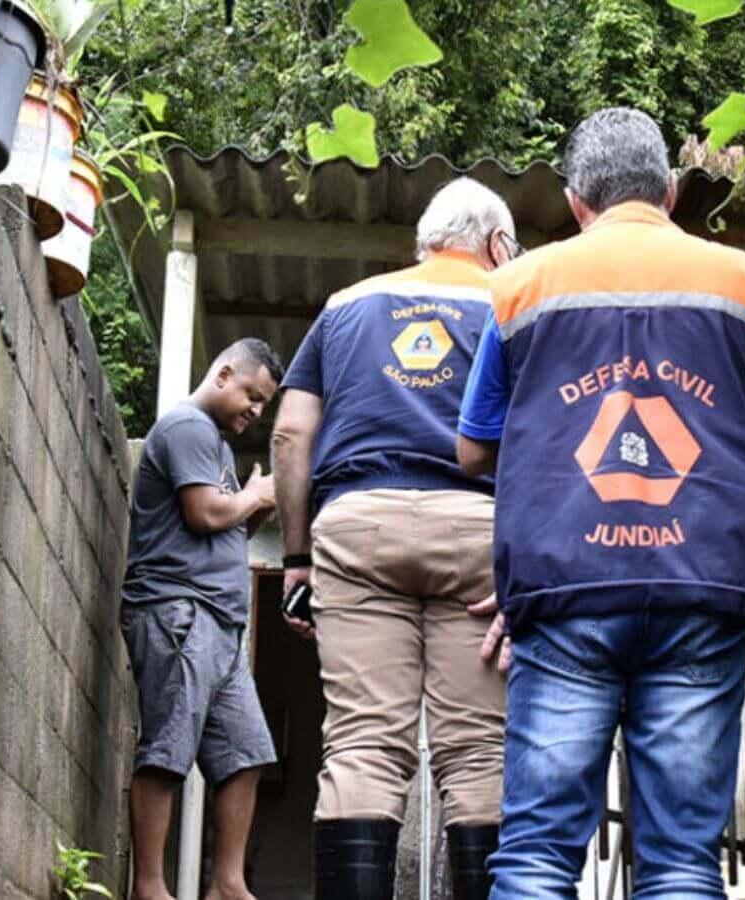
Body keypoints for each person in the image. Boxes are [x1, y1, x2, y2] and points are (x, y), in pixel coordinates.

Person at [456, 107, 745, 897]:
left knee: (539, 852)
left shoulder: (519, 289)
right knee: (682, 858)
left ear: (578, 202)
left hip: (566, 586)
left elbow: (473, 447)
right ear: (673, 193)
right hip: (706, 587)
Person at [270, 177, 521, 900]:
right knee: (478, 754)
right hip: (479, 532)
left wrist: (295, 558)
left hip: (359, 529)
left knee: (361, 747)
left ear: (425, 242)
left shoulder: (346, 306)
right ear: (497, 244)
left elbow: (290, 433)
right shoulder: (510, 305)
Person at [119, 338, 285, 900]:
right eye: (252, 396)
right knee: (168, 752)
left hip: (219, 627)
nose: (255, 411)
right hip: (178, 614)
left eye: (263, 404)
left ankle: (226, 884)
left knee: (247, 754)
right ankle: (149, 888)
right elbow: (207, 512)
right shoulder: (187, 428)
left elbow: (225, 524)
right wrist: (254, 492)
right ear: (223, 374)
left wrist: (257, 502)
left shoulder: (211, 444)